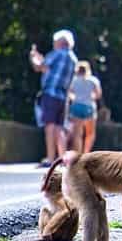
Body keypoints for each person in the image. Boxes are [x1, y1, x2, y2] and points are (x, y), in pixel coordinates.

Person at [30, 29, 78, 166]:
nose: (53, 44)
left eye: (55, 42)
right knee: (59, 128)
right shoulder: (73, 58)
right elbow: (50, 69)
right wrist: (42, 60)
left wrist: (33, 57)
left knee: (49, 126)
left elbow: (39, 67)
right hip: (63, 97)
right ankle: (63, 158)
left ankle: (50, 159)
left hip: (50, 93)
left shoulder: (57, 54)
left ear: (60, 42)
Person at [68, 60, 102, 153]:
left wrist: (75, 98)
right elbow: (98, 94)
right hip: (89, 107)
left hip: (76, 106)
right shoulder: (93, 80)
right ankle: (86, 153)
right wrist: (90, 96)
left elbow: (69, 93)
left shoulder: (73, 80)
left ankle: (79, 154)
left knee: (77, 134)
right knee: (90, 133)